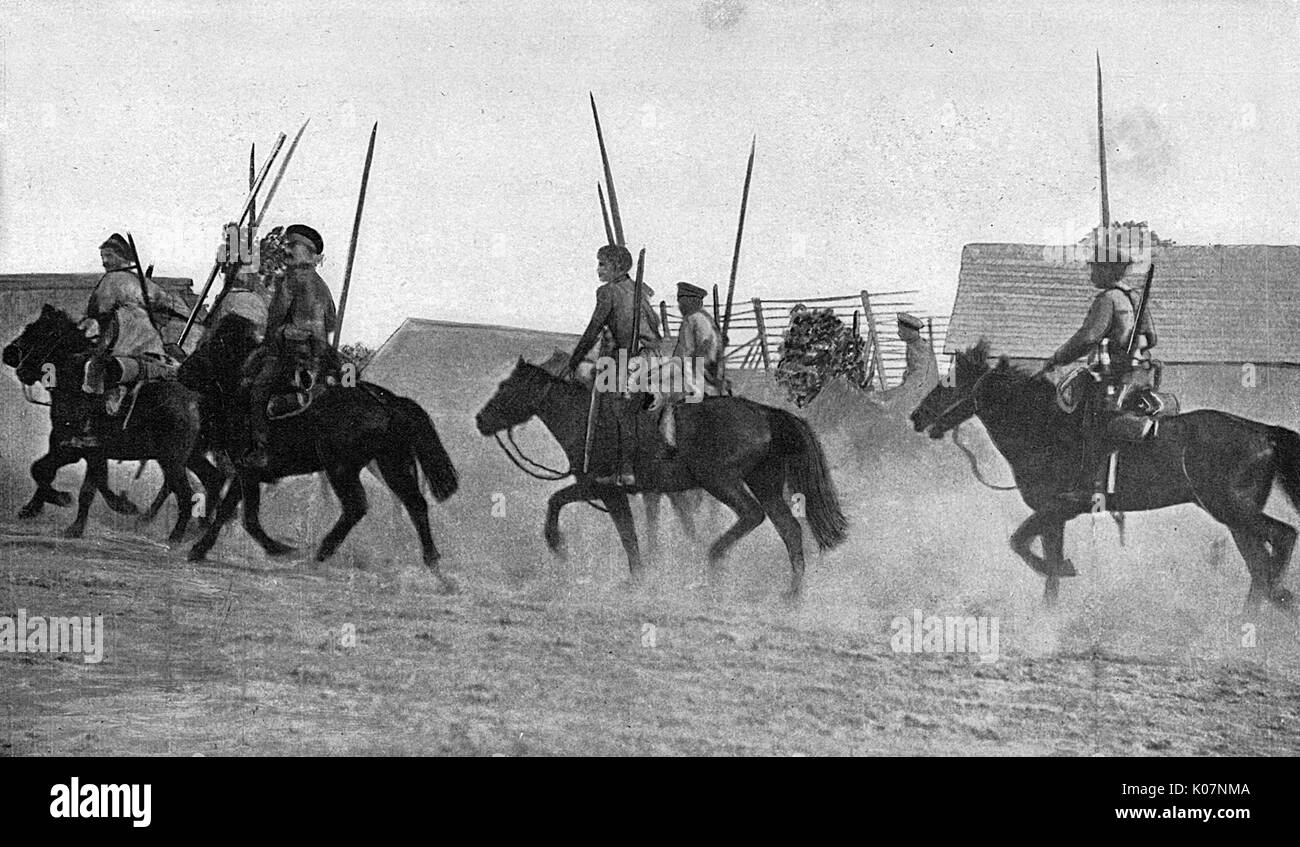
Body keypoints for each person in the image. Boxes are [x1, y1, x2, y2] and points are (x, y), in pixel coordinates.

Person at [1041, 225, 1158, 504]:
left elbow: (1088, 336)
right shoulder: (1134, 298)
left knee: (1081, 417)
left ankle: (1088, 484)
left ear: (1108, 271)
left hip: (1116, 376)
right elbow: (1151, 337)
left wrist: (1058, 358)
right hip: (1141, 375)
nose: (1091, 273)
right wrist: (1133, 343)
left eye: (1095, 268)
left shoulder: (1107, 299)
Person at [562, 243, 661, 486]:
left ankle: (625, 470)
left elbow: (593, 329)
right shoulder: (637, 290)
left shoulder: (607, 292)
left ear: (617, 267)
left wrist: (573, 362)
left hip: (630, 359)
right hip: (651, 356)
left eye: (603, 264)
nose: (598, 269)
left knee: (616, 409)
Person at [241, 224, 338, 469]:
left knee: (257, 389)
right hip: (321, 352)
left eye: (294, 245)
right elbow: (331, 322)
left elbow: (275, 317)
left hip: (292, 352)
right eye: (289, 245)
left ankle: (261, 449)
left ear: (309, 252)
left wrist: (277, 335)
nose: (288, 250)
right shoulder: (321, 284)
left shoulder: (291, 279)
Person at [651, 282, 727, 451]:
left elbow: (682, 357)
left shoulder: (691, 320)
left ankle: (668, 445)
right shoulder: (707, 319)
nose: (679, 306)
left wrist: (655, 374)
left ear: (693, 301)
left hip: (696, 378)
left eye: (682, 301)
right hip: (711, 378)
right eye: (679, 301)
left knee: (661, 400)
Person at [866, 312, 939, 413]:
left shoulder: (920, 348)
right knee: (881, 399)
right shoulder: (914, 344)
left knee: (885, 408)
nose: (898, 333)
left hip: (923, 394)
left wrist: (891, 397)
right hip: (916, 390)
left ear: (910, 331)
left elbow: (917, 380)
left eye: (901, 330)